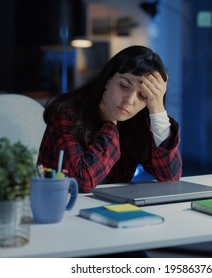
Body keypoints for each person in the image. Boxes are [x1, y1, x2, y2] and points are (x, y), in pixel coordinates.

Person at [38, 45, 182, 193]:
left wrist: (157, 111)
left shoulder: (137, 121)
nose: (129, 100)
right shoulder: (68, 114)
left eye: (143, 96)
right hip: (61, 206)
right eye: (124, 86)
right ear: (108, 80)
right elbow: (81, 180)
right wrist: (110, 124)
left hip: (111, 207)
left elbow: (170, 177)